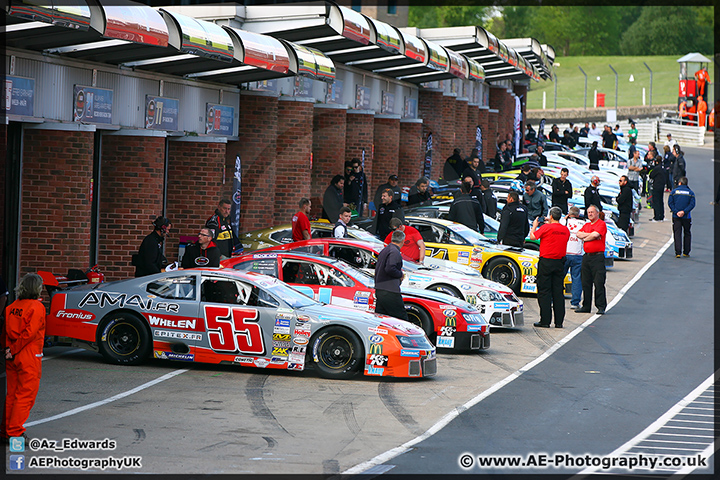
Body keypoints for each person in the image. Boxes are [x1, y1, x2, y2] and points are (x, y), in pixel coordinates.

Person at [3, 273, 45, 441]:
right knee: (25, 395)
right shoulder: (37, 307)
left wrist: (8, 350)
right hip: (28, 355)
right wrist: (13, 349)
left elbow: (5, 331)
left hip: (11, 355)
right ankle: (15, 431)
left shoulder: (11, 307)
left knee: (11, 395)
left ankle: (6, 430)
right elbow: (29, 334)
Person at [530, 207, 570, 328]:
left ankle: (545, 320)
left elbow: (533, 237)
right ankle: (559, 321)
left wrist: (534, 225)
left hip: (546, 261)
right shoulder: (565, 230)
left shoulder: (545, 228)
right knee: (558, 292)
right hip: (559, 262)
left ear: (551, 216)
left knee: (544, 291)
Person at [576, 205, 607, 315]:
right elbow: (578, 234)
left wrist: (586, 237)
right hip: (587, 256)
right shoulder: (586, 225)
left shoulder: (601, 224)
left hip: (597, 257)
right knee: (586, 282)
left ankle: (601, 306)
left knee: (598, 282)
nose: (590, 214)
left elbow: (596, 235)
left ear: (597, 213)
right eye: (588, 212)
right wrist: (589, 236)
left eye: (592, 212)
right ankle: (586, 306)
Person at [374, 230, 408, 321]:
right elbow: (390, 268)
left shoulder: (385, 250)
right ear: (402, 241)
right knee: (401, 318)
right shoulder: (394, 252)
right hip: (390, 290)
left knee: (382, 318)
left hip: (380, 288)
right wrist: (400, 274)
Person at [561, 207, 585, 310]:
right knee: (577, 278)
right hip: (578, 254)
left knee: (559, 278)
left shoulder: (564, 221)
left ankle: (555, 299)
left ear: (569, 214)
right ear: (578, 215)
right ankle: (575, 302)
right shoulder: (583, 224)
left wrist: (565, 217)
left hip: (565, 253)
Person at [668, 177, 695, 258]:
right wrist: (684, 211)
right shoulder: (691, 193)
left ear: (679, 183)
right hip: (686, 216)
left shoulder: (674, 192)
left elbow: (670, 203)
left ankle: (678, 252)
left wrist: (676, 211)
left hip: (676, 216)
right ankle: (686, 252)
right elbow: (692, 204)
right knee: (687, 233)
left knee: (677, 233)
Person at [649, 157, 668, 222]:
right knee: (660, 201)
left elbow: (651, 175)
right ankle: (661, 215)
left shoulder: (657, 168)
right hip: (662, 186)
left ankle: (656, 216)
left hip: (656, 186)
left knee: (656, 201)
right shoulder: (663, 168)